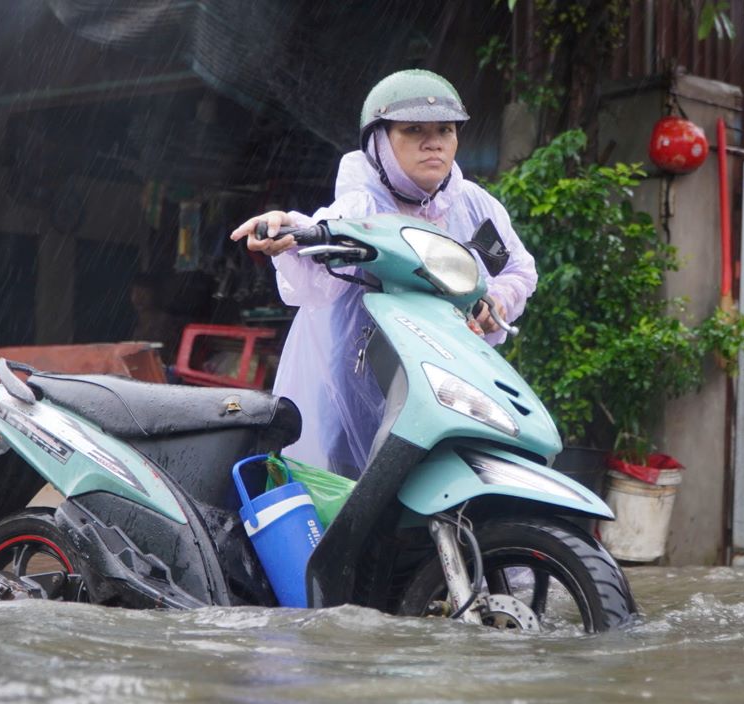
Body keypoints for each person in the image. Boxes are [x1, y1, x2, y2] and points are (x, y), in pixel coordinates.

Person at [230, 69, 537, 478]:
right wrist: (286, 227)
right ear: (379, 142)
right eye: (414, 129)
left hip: (447, 381)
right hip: (356, 383)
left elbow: (517, 268)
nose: (434, 143)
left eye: (445, 129)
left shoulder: (474, 208)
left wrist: (496, 300)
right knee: (348, 490)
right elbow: (316, 251)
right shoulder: (359, 207)